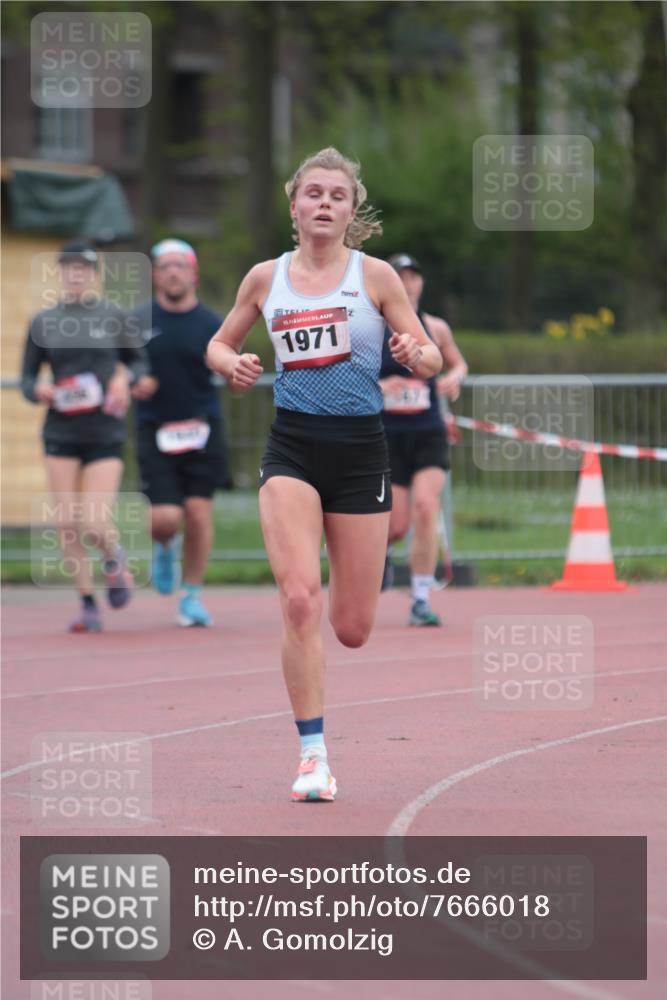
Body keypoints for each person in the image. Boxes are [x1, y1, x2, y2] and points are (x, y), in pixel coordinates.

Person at [206, 147, 442, 801]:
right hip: (292, 450)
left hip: (361, 452)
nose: (324, 204)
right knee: (298, 599)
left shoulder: (375, 279)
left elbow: (427, 358)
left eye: (337, 196)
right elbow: (219, 341)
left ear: (351, 210)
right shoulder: (265, 277)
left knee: (352, 628)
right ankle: (312, 754)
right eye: (313, 193)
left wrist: (411, 350)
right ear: (294, 206)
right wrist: (230, 363)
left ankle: (358, 572)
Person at [20, 240, 148, 633]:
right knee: (67, 524)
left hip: (103, 431)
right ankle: (88, 602)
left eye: (83, 269)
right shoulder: (44, 321)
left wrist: (125, 378)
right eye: (69, 268)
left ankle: (113, 558)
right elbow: (26, 377)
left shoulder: (113, 316)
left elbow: (139, 361)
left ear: (94, 275)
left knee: (94, 521)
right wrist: (37, 390)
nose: (76, 275)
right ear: (60, 274)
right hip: (61, 431)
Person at [131, 239, 229, 627]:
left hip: (202, 430)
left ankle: (191, 595)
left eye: (180, 266)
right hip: (155, 430)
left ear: (193, 274)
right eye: (165, 266)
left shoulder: (212, 323)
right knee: (166, 519)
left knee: (199, 516)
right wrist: (134, 379)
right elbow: (120, 365)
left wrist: (232, 367)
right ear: (155, 275)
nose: (172, 272)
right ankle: (165, 546)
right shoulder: (136, 321)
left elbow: (227, 362)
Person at [379, 253, 468, 625]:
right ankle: (375, 554)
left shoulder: (435, 327)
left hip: (428, 432)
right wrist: (381, 386)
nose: (408, 282)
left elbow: (458, 363)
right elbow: (350, 374)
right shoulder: (372, 327)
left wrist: (454, 379)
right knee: (396, 526)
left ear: (421, 283)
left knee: (427, 509)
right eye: (401, 276)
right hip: (388, 435)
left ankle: (420, 599)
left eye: (414, 276)